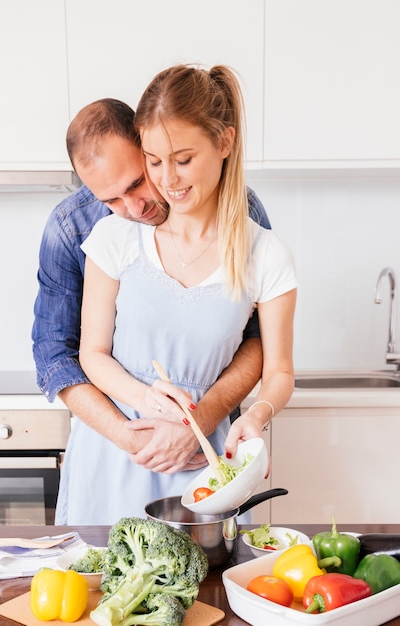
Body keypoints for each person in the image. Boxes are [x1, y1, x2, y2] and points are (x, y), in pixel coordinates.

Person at [31, 97, 271, 524]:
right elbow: (56, 359)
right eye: (111, 200)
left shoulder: (237, 211)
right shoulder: (75, 226)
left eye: (138, 182)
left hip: (202, 448)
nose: (134, 208)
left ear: (150, 148)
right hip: (111, 449)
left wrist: (200, 419)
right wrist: (131, 438)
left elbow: (259, 342)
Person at [76, 66, 297, 524]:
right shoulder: (114, 238)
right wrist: (146, 399)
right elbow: (91, 353)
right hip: (118, 454)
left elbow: (277, 369)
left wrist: (254, 418)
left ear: (225, 143)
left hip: (203, 462)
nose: (168, 180)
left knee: (205, 591)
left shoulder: (266, 254)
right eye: (153, 162)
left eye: (183, 159)